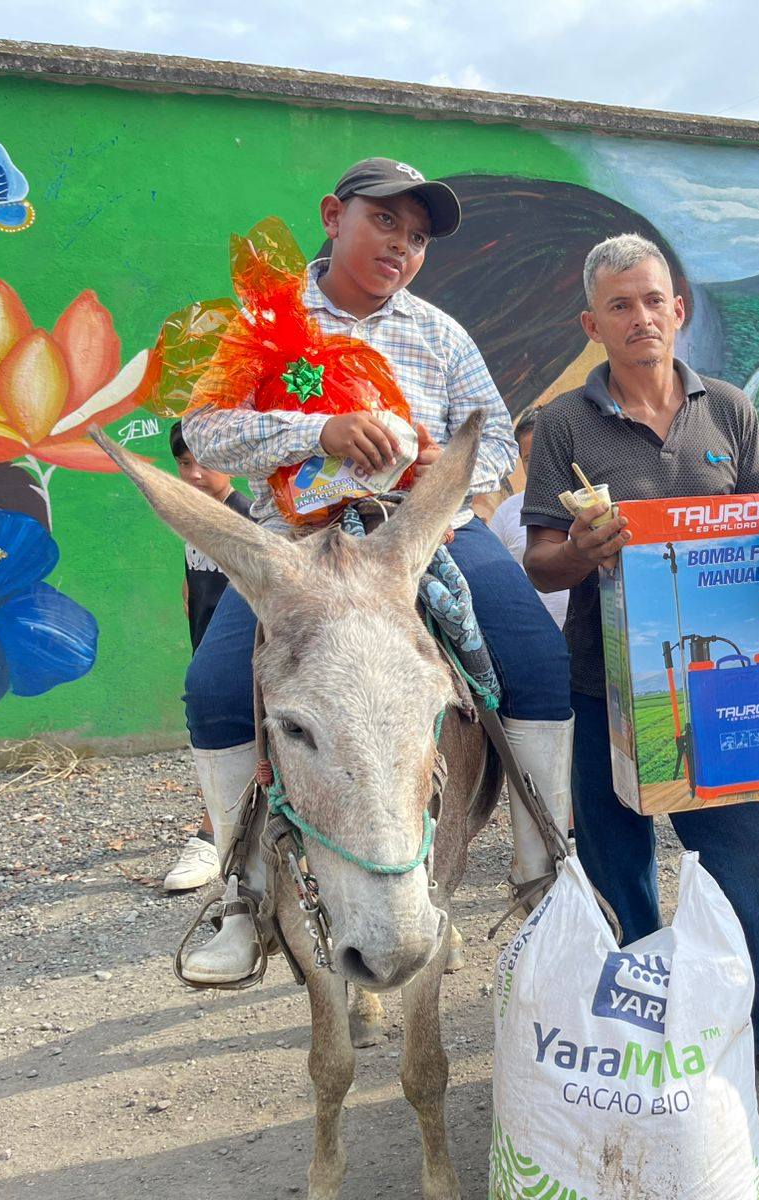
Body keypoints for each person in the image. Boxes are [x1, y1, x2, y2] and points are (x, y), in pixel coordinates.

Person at [177, 157, 574, 985]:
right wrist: (315, 433)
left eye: (418, 236)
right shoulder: (263, 322)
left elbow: (496, 442)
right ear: (334, 216)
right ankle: (243, 900)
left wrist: (436, 470)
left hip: (422, 534)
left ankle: (543, 872)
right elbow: (206, 429)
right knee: (214, 692)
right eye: (385, 221)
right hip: (298, 543)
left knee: (540, 662)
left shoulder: (440, 333)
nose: (402, 245)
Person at [522, 233, 759, 1102]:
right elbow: (541, 561)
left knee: (751, 855)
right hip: (604, 684)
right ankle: (646, 1026)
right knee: (617, 861)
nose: (640, 317)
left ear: (679, 308)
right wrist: (582, 550)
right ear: (593, 323)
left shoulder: (729, 410)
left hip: (725, 684)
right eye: (619, 305)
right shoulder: (565, 423)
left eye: (653, 300)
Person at [161, 422, 255, 894]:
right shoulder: (194, 514)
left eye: (205, 462)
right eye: (184, 463)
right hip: (206, 642)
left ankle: (210, 836)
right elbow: (196, 573)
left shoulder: (248, 516)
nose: (194, 474)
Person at [487, 406, 568, 629]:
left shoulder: (594, 504)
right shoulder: (506, 512)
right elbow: (496, 579)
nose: (539, 466)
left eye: (546, 454)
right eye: (529, 459)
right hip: (535, 634)